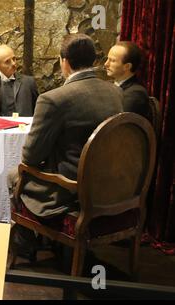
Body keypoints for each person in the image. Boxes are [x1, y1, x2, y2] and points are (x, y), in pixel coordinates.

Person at [11, 34, 123, 257]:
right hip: (112, 184)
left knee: (14, 174)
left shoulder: (54, 99)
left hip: (71, 190)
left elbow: (31, 157)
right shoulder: (116, 92)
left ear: (65, 61)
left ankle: (25, 242)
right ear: (93, 60)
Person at [0, 44, 38, 116]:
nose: (13, 63)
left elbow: (37, 110)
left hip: (22, 126)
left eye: (14, 59)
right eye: (7, 61)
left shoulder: (29, 82)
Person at [105, 41, 150, 120]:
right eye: (107, 59)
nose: (106, 64)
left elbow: (115, 123)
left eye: (112, 61)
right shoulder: (107, 85)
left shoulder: (136, 94)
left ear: (127, 66)